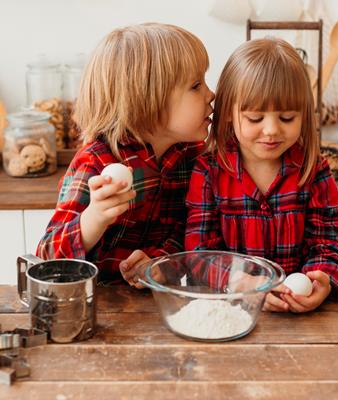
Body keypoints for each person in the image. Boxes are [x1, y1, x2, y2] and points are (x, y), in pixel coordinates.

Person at [36, 23, 214, 285]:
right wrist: (95, 217)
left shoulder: (192, 158)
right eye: (196, 85)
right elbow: (48, 256)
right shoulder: (97, 162)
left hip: (153, 306)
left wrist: (160, 261)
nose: (211, 94)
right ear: (147, 101)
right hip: (97, 303)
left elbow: (188, 231)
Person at [185, 37, 338, 313]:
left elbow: (327, 242)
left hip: (298, 319)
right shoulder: (208, 172)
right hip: (228, 312)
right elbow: (198, 254)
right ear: (227, 114)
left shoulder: (314, 170)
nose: (271, 130)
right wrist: (239, 281)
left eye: (286, 118)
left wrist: (321, 281)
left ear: (304, 115)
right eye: (255, 118)